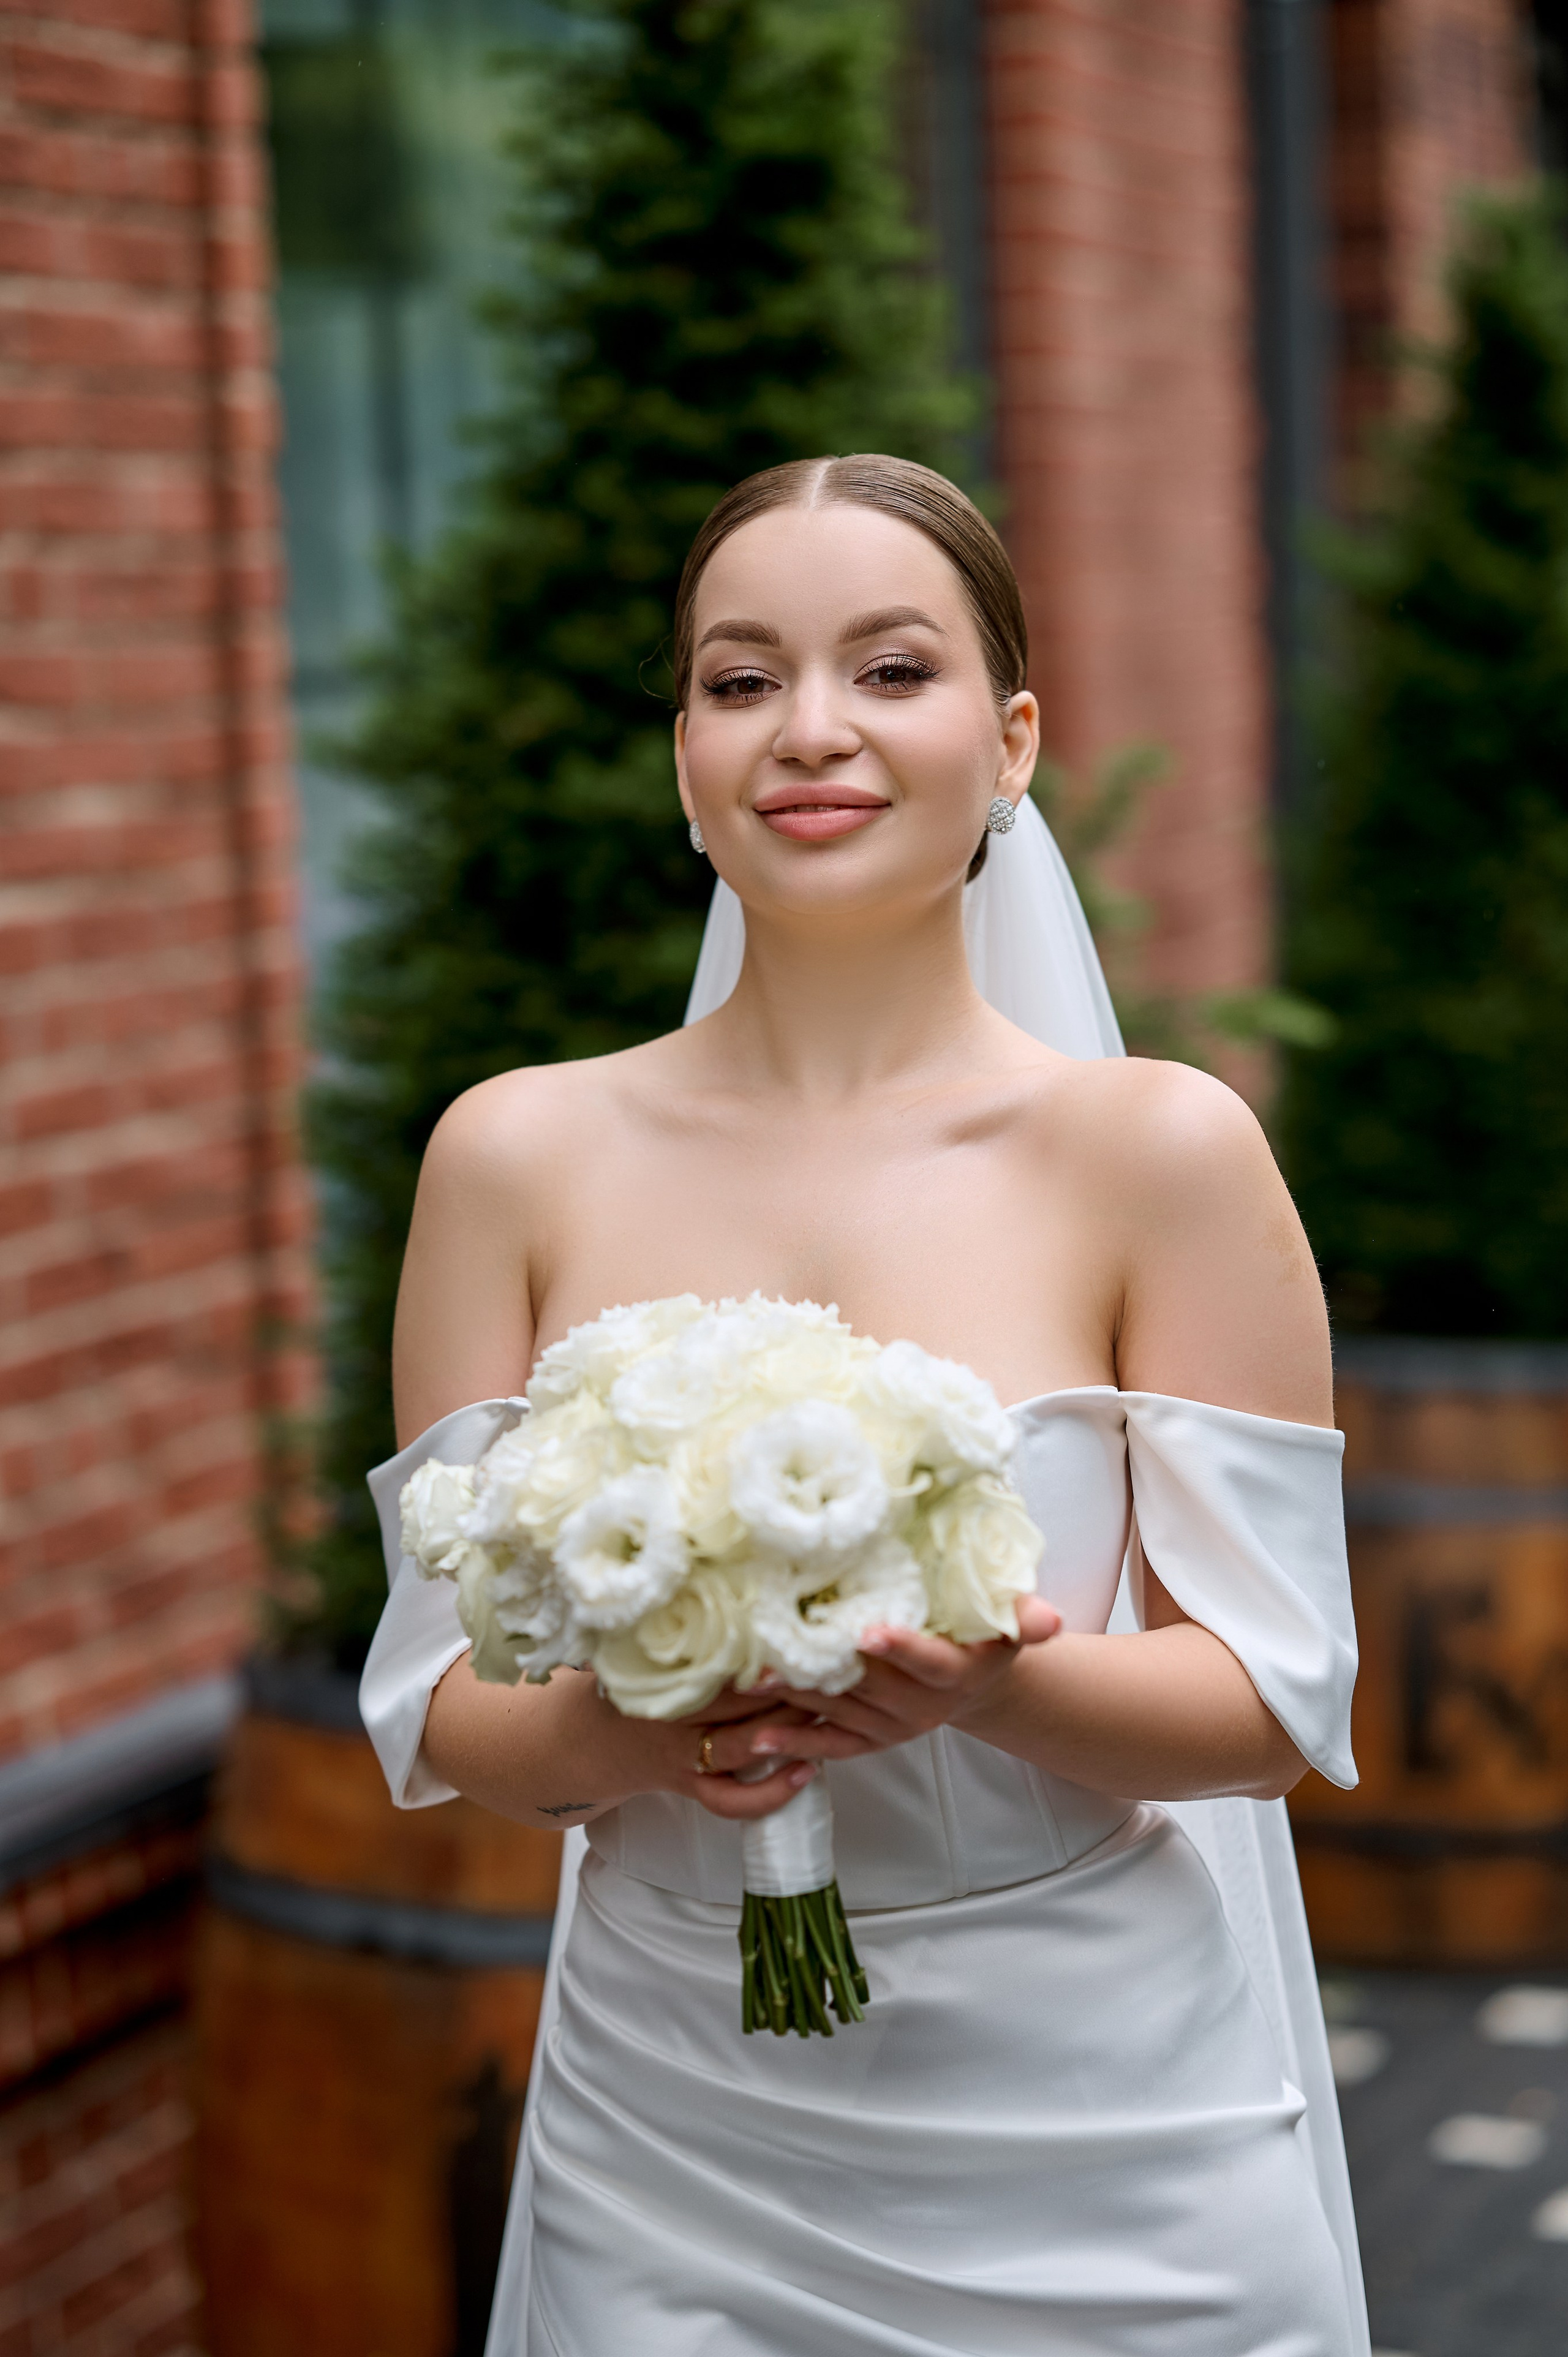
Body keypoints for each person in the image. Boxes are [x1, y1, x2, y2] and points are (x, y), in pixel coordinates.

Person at [361, 454, 1368, 2356]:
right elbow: (437, 1707)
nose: (808, 729)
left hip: (1101, 2126)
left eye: (888, 670)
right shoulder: (512, 1158)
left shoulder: (1160, 1154)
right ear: (683, 759)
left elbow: (1279, 1713)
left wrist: (996, 1683)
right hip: (672, 2134)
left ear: (1012, 743)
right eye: (741, 682)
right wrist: (652, 1734)